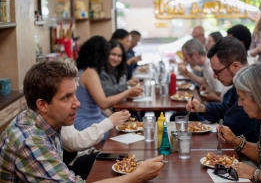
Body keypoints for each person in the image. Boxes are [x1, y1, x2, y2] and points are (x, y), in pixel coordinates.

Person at [0, 60, 164, 182]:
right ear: (42, 104)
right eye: (66, 97)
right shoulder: (30, 140)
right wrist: (137, 176)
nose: (77, 103)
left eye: (74, 94)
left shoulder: (47, 122)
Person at [57, 57, 131, 179]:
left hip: (74, 157)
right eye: (75, 79)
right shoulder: (60, 109)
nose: (78, 83)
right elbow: (73, 142)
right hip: (70, 166)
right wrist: (110, 121)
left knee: (120, 156)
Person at [186, 37, 261, 142]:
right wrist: (203, 108)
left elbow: (233, 123)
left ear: (235, 66)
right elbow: (226, 107)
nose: (214, 76)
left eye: (217, 72)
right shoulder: (241, 81)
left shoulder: (253, 86)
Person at [74, 36, 142, 133]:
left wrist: (114, 116)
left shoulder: (83, 70)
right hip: (87, 123)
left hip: (92, 119)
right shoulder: (90, 73)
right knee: (126, 132)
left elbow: (99, 105)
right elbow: (104, 103)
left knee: (129, 126)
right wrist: (128, 92)